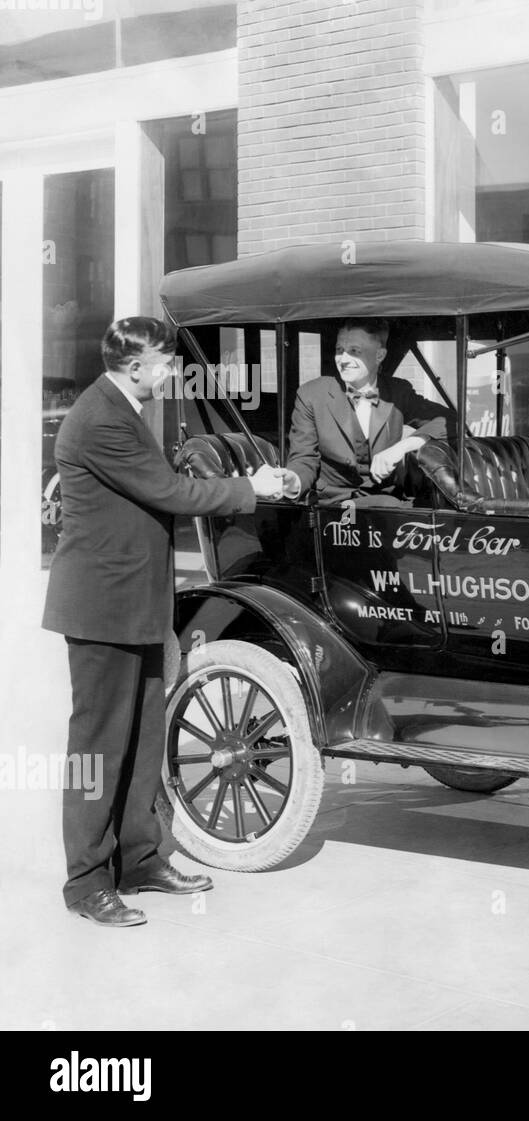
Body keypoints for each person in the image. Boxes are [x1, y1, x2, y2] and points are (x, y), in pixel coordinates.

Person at [42, 316, 286, 928]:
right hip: (103, 609)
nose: (173, 370)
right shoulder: (100, 418)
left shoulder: (121, 409)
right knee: (98, 746)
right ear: (134, 367)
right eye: (165, 361)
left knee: (144, 737)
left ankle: (141, 857)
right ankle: (86, 882)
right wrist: (248, 488)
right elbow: (169, 492)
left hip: (136, 605)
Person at [281, 319, 454, 504]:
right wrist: (293, 481)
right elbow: (303, 457)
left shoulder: (398, 391)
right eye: (339, 350)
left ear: (379, 355)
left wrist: (403, 447)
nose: (343, 360)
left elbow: (450, 421)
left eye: (354, 351)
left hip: (387, 498)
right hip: (333, 505)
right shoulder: (312, 394)